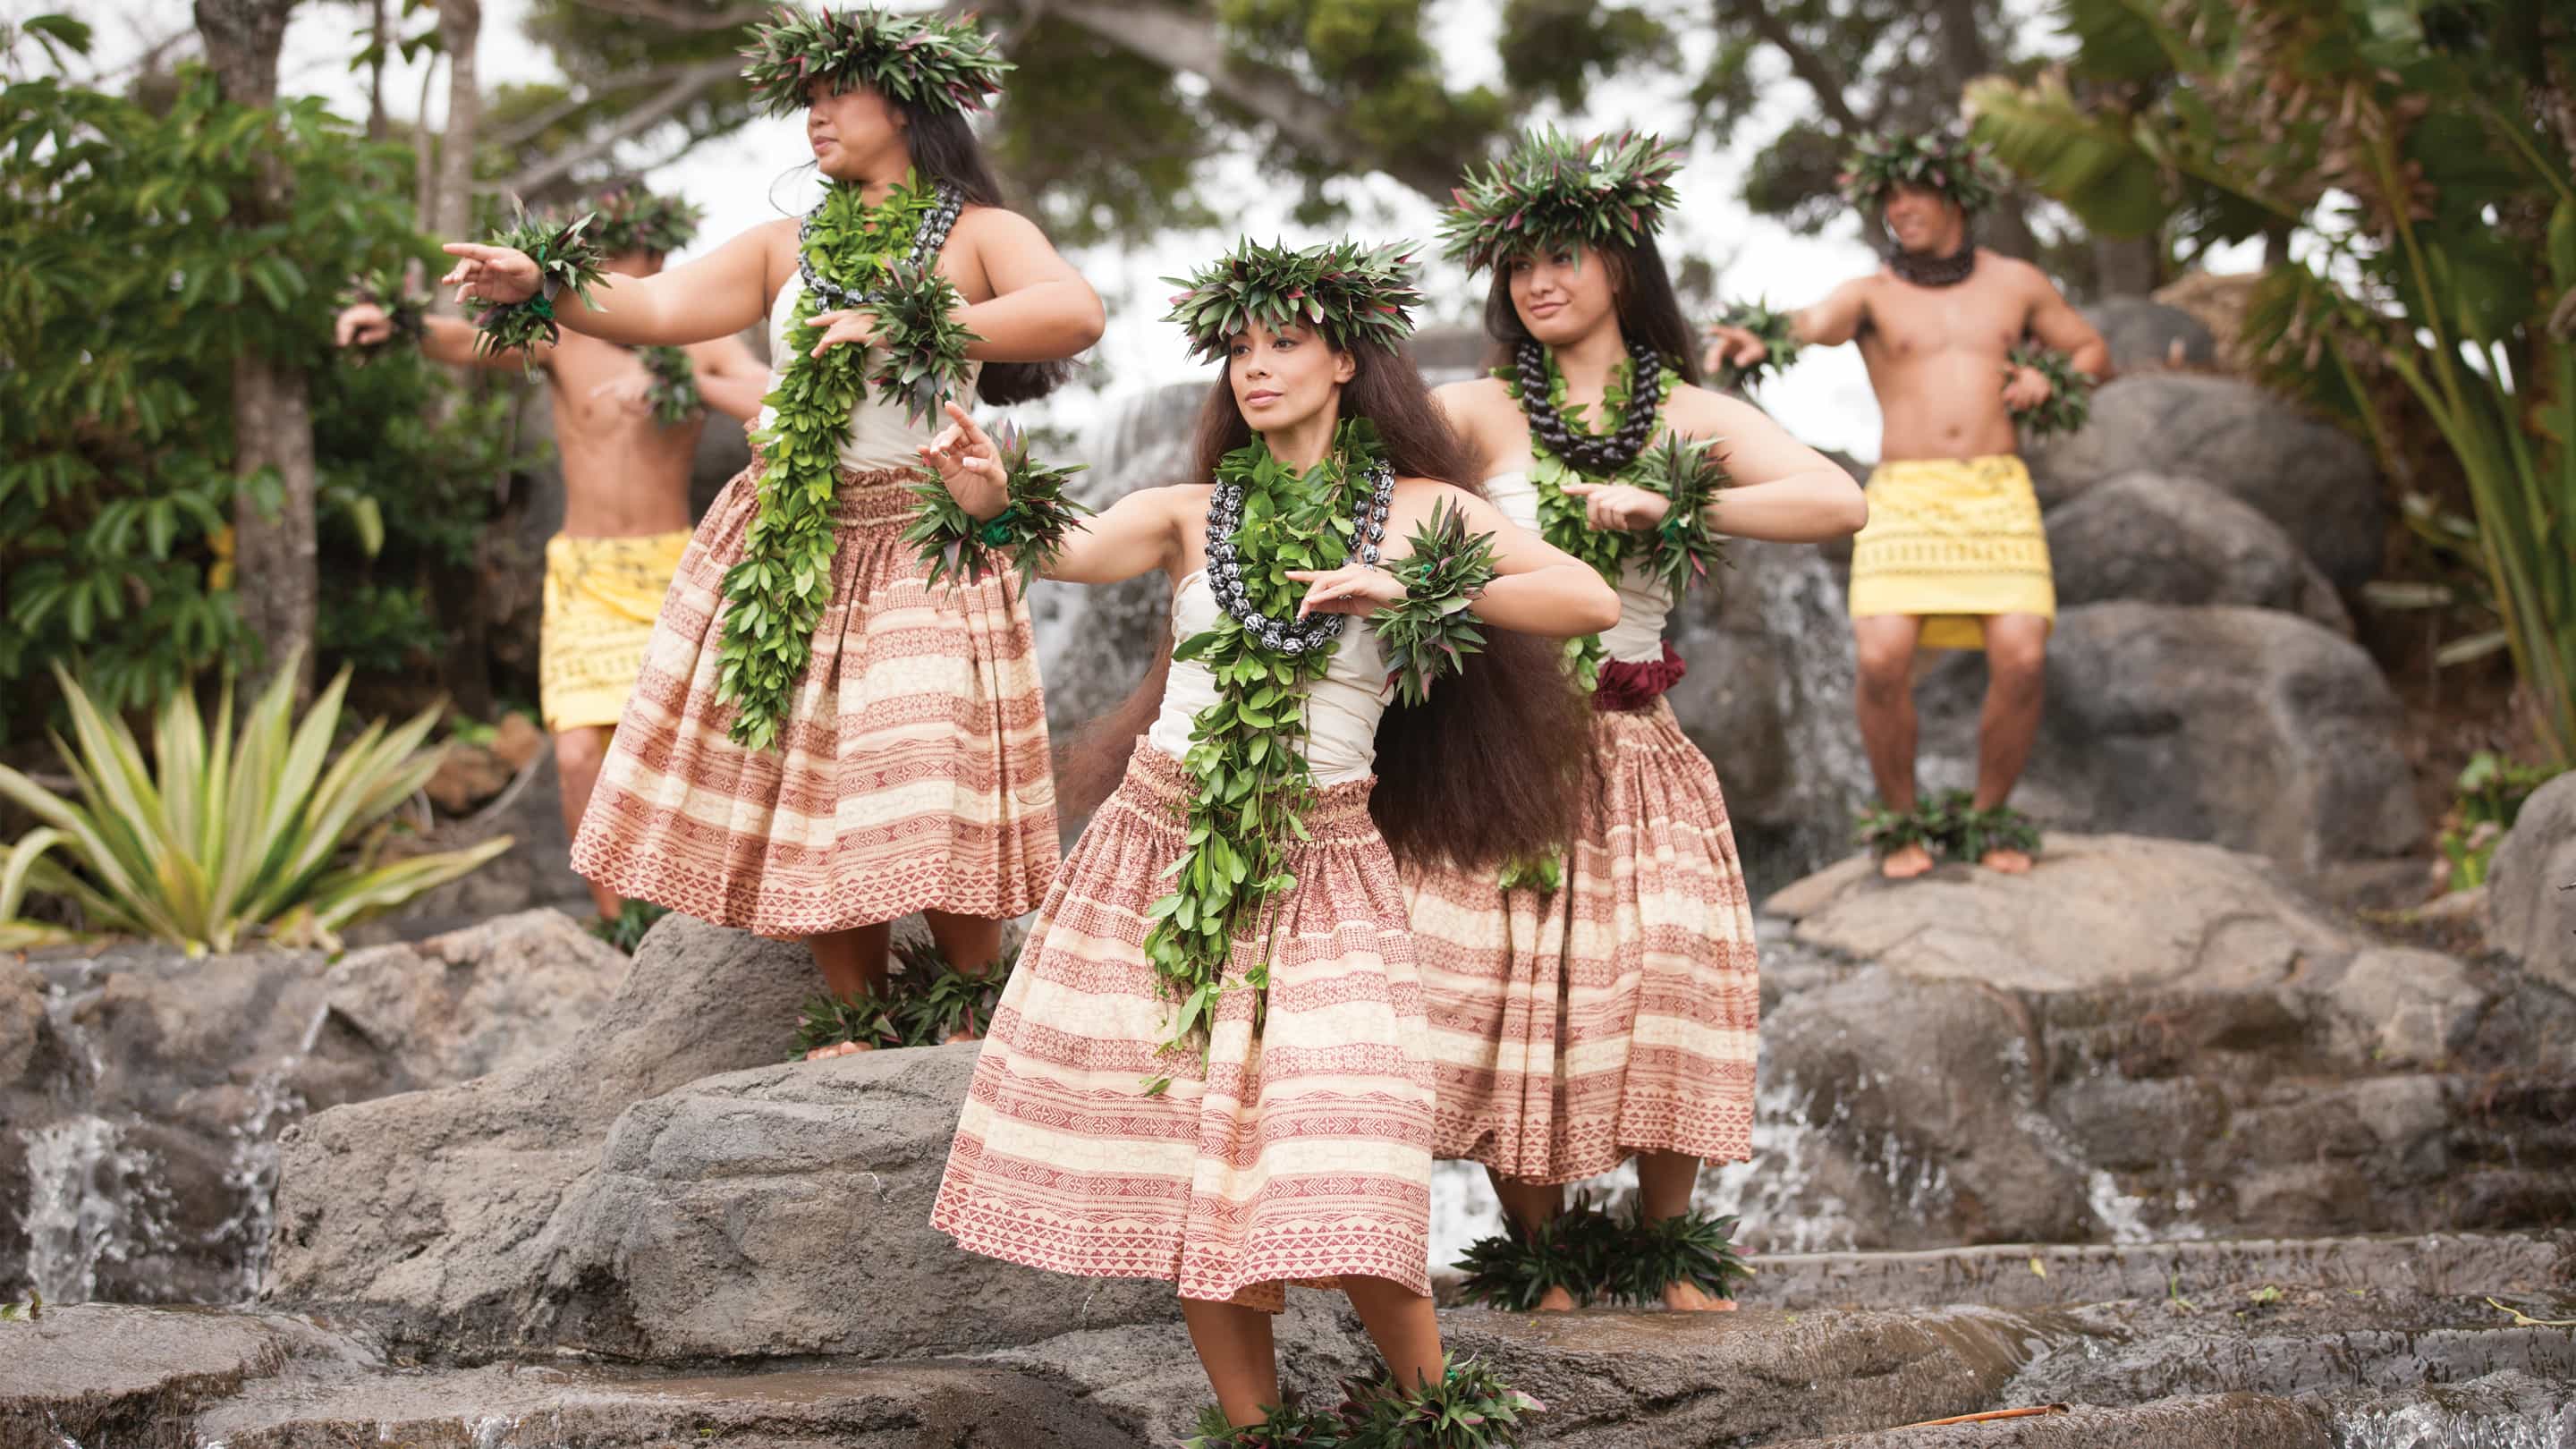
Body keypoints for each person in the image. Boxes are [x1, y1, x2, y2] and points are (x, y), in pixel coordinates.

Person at [928, 238, 1607, 1444]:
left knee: (1345, 1154)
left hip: (1328, 861)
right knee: (1200, 1156)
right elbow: (1071, 549)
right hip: (1162, 850)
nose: (1256, 367)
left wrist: (1416, 591)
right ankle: (1254, 1432)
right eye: (1238, 348)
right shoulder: (1194, 513)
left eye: (1284, 342)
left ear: (1347, 359)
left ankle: (1427, 1415)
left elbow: (1584, 602)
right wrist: (991, 495)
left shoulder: (1425, 510)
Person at [436, 6, 1104, 1045]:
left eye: (837, 93)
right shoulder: (779, 245)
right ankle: (855, 1019)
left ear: (907, 103)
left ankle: (972, 1015)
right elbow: (657, 312)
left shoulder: (979, 232)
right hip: (793, 537)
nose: (816, 115)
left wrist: (911, 318)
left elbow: (1074, 311)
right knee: (817, 770)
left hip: (925, 531)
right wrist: (547, 283)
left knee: (929, 766)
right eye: (806, 98)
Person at [1410, 128, 1868, 1314]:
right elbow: (1364, 489)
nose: (1537, 283)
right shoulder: (1472, 412)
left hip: (1638, 742)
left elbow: (1836, 498)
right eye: (1517, 269)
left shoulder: (1693, 418)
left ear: (1623, 267)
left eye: (1562, 259)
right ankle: (1542, 1258)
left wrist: (1672, 495)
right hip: (1511, 745)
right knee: (1518, 987)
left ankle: (1669, 1249)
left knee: (1671, 975)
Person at [335, 188, 769, 922]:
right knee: (576, 757)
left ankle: (697, 914)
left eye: (657, 260)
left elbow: (771, 393)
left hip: (674, 571)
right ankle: (617, 930)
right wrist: (397, 324)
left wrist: (688, 379)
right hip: (586, 577)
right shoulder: (565, 336)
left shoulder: (700, 337)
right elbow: (463, 343)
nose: (647, 272)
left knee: (694, 750)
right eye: (631, 258)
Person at [1704, 128, 2110, 879]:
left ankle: (1990, 818)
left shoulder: (2017, 283)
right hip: (1906, 496)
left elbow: (2091, 350)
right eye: (1889, 197)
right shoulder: (1872, 294)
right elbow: (1811, 323)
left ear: (1956, 193)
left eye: (1913, 191)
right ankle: (1900, 822)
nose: (1901, 208)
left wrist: (2052, 379)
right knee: (1884, 660)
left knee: (2021, 659)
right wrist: (1763, 339)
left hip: (1996, 493)